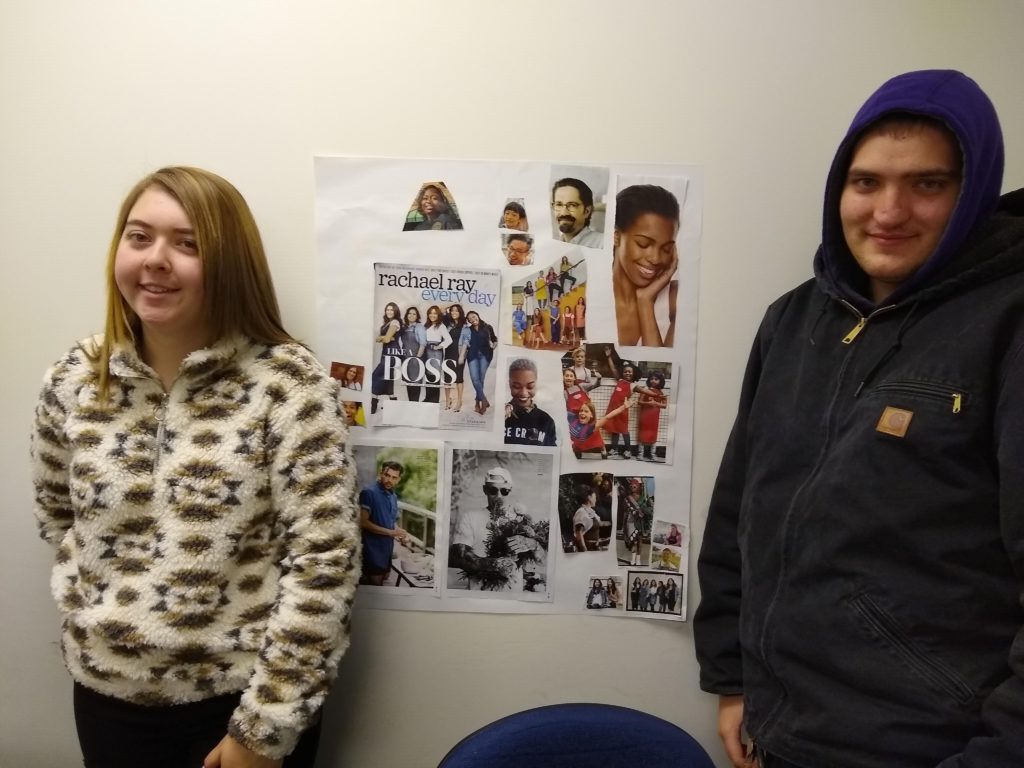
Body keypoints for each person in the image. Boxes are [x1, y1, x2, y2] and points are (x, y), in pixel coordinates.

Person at [693, 70, 1024, 768]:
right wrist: (730, 678)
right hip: (778, 735)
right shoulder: (791, 320)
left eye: (928, 184)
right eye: (867, 181)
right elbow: (737, 516)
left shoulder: (1008, 323)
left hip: (932, 749)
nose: (889, 210)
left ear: (975, 193)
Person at [29, 166, 359, 768]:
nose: (156, 260)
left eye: (187, 244)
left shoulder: (288, 385)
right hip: (108, 700)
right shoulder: (75, 380)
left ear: (229, 264)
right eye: (139, 237)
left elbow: (325, 564)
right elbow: (57, 518)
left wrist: (263, 731)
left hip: (239, 707)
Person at [447, 467, 548, 592]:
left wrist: (534, 544)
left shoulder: (522, 519)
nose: (499, 496)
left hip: (513, 594)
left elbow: (543, 561)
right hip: (479, 592)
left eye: (504, 491)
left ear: (510, 490)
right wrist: (494, 564)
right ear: (485, 490)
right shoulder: (470, 517)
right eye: (493, 490)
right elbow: (459, 557)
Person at [612, 184, 680, 348]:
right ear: (616, 237)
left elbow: (661, 369)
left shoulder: (676, 300)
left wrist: (645, 302)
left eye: (666, 249)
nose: (656, 259)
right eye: (643, 244)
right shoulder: (588, 297)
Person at [358, 461, 409, 587]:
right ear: (381, 474)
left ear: (398, 479)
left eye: (394, 477)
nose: (389, 480)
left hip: (387, 550)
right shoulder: (369, 493)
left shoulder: (393, 496)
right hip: (372, 551)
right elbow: (362, 522)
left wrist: (400, 534)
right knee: (375, 588)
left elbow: (391, 522)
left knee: (384, 579)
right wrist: (392, 532)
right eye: (387, 475)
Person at [504, 357, 557, 446]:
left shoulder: (546, 420)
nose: (523, 393)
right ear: (510, 384)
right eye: (517, 386)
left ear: (536, 384)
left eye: (530, 387)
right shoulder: (500, 415)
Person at [459, 310, 497, 415]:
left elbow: (494, 339)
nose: (472, 319)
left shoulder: (488, 327)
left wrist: (494, 345)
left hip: (485, 355)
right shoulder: (468, 330)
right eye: (470, 319)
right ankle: (484, 400)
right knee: (475, 379)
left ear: (478, 315)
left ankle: (477, 403)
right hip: (472, 355)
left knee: (480, 379)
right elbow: (465, 342)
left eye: (473, 316)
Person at [551, 177, 604, 247]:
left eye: (572, 205)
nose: (563, 213)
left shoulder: (602, 244)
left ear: (587, 211)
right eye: (559, 204)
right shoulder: (553, 244)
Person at [370, 300, 402, 414]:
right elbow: (388, 338)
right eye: (387, 309)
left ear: (395, 311)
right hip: (387, 352)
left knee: (376, 375)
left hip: (392, 353)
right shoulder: (388, 323)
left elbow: (387, 339)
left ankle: (373, 403)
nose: (389, 311)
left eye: (391, 309)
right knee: (388, 378)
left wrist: (380, 338)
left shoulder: (395, 322)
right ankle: (393, 402)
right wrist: (387, 338)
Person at [604, 361, 637, 459]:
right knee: (615, 430)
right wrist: (609, 357)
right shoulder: (620, 381)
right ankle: (614, 449)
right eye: (626, 371)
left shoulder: (632, 385)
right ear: (623, 373)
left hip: (623, 411)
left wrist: (654, 394)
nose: (628, 373)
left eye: (630, 372)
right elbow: (613, 369)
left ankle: (628, 451)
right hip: (613, 410)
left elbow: (643, 390)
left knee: (624, 431)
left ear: (633, 374)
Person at [421, 304, 452, 404]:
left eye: (435, 313)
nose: (432, 315)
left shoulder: (441, 325)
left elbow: (449, 340)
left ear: (438, 315)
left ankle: (434, 400)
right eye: (431, 313)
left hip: (436, 353)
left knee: (435, 375)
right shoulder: (426, 325)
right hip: (426, 351)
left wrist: (438, 346)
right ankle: (428, 398)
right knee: (428, 374)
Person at [636, 371, 668, 461]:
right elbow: (639, 402)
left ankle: (652, 454)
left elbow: (665, 405)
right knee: (642, 434)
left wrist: (655, 403)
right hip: (645, 416)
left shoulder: (661, 393)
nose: (653, 381)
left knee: (653, 435)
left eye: (656, 379)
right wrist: (648, 403)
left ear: (660, 381)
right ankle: (640, 454)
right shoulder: (645, 390)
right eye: (652, 379)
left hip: (654, 418)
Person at [443, 303, 468, 411]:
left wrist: (462, 356)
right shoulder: (448, 323)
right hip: (448, 353)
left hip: (459, 353)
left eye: (456, 310)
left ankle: (459, 401)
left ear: (460, 313)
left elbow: (466, 342)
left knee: (459, 378)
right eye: (452, 310)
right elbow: (442, 309)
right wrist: (452, 303)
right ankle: (448, 400)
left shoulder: (465, 326)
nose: (454, 312)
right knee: (447, 378)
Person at [399, 305, 426, 402]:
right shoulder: (404, 327)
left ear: (417, 316)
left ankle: (415, 405)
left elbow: (423, 344)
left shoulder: (419, 327)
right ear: (406, 315)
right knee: (408, 383)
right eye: (409, 313)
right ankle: (411, 404)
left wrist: (417, 358)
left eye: (414, 314)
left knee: (415, 384)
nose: (411, 315)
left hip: (415, 360)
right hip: (405, 359)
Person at [620, 477, 647, 566]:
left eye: (634, 486)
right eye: (631, 486)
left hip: (640, 521)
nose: (633, 488)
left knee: (639, 541)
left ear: (638, 487)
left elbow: (647, 510)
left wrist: (642, 512)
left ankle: (638, 560)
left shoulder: (643, 498)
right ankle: (633, 559)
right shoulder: (627, 499)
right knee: (632, 541)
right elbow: (624, 511)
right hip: (630, 522)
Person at [571, 487, 601, 552]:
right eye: (594, 497)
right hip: (587, 548)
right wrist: (584, 550)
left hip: (595, 548)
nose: (596, 500)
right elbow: (579, 533)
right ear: (589, 497)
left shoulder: (591, 512)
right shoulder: (581, 512)